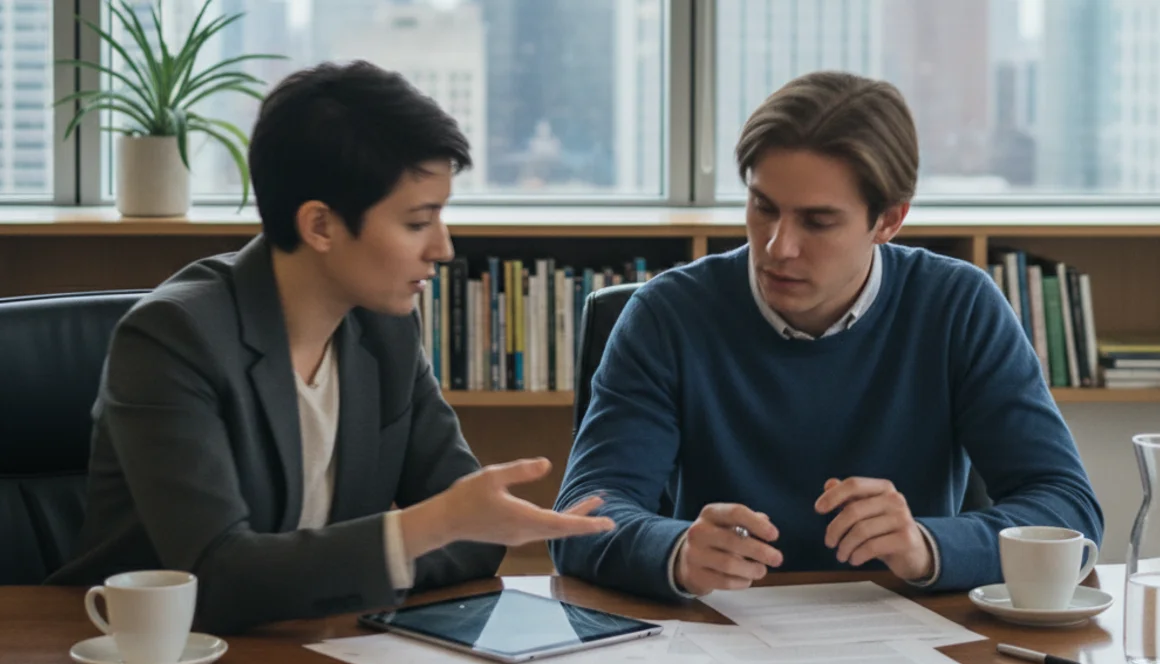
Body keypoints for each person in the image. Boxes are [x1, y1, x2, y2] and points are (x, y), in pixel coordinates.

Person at [48, 61, 614, 633]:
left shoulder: (387, 332)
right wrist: (424, 530)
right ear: (320, 225)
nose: (443, 248)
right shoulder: (173, 339)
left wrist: (418, 538)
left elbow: (474, 533)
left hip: (313, 643)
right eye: (418, 222)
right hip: (145, 650)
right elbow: (214, 578)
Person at [549, 71, 1103, 600]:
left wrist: (927, 545)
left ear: (889, 220)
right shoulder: (666, 315)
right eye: (763, 207)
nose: (778, 247)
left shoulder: (959, 307)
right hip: (718, 630)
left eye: (817, 222)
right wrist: (675, 552)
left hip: (910, 631)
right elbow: (580, 518)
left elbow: (1068, 511)